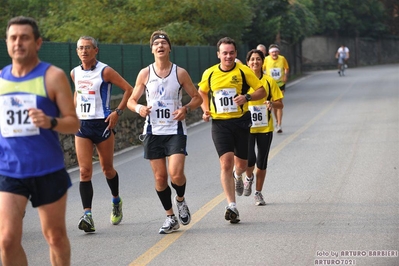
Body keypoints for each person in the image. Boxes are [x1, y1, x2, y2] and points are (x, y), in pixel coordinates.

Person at [0, 16, 80, 265]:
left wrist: (50, 121)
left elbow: (74, 122)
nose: (18, 43)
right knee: (6, 240)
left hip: (47, 169)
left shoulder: (53, 76)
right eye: (13, 38)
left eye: (24, 37)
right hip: (10, 170)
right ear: (6, 42)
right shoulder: (1, 80)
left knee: (55, 237)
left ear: (37, 43)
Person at [127, 30, 202, 234]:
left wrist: (186, 108)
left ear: (169, 48)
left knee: (175, 174)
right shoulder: (145, 73)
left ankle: (180, 200)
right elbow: (131, 100)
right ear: (152, 49)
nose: (160, 46)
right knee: (160, 178)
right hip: (153, 131)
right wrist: (139, 108)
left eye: (163, 43)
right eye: (156, 44)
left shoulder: (180, 73)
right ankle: (170, 217)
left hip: (175, 130)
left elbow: (197, 98)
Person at [198, 37, 266, 224]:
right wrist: (205, 109)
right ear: (218, 54)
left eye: (231, 53)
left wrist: (247, 97)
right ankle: (231, 206)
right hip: (220, 124)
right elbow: (202, 92)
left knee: (242, 166)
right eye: (224, 53)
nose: (228, 56)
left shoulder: (243, 71)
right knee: (225, 163)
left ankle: (238, 176)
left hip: (241, 122)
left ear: (236, 54)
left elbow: (262, 91)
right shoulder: (210, 73)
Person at [71, 36, 133, 233]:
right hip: (82, 126)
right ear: (77, 51)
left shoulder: (105, 71)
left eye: (88, 48)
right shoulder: (74, 73)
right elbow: (77, 93)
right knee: (84, 171)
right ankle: (87, 215)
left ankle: (116, 200)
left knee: (107, 169)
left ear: (95, 50)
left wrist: (118, 112)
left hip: (103, 125)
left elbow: (128, 89)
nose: (84, 51)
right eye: (80, 48)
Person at [243, 49, 284, 206]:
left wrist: (271, 103)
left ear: (262, 62)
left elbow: (280, 103)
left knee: (261, 162)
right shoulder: (243, 82)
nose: (255, 62)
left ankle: (258, 193)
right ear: (248, 62)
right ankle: (248, 178)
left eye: (258, 59)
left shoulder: (269, 81)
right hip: (247, 127)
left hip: (265, 128)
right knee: (249, 160)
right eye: (252, 59)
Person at [263, 44, 289, 134]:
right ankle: (277, 121)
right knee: (274, 104)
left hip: (280, 84)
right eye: (272, 52)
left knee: (279, 103)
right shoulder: (266, 59)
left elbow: (286, 68)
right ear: (269, 53)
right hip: (270, 85)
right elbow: (262, 70)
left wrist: (285, 75)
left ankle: (279, 124)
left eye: (276, 51)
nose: (274, 53)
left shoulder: (282, 58)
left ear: (278, 52)